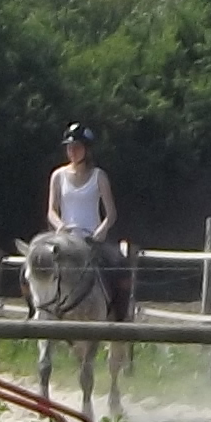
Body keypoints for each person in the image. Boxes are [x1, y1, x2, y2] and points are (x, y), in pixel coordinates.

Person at [47, 124, 136, 321]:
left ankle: (120, 317)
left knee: (119, 266)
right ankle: (37, 310)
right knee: (37, 266)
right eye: (69, 147)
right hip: (66, 239)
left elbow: (111, 213)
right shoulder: (58, 176)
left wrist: (101, 231)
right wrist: (60, 226)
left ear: (87, 150)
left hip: (92, 240)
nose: (72, 151)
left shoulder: (99, 176)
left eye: (77, 147)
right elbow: (51, 211)